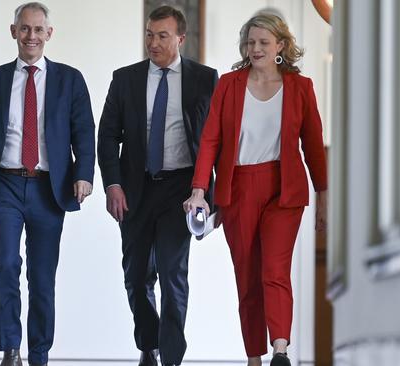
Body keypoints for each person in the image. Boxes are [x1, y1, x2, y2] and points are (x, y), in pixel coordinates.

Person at [183, 12, 328, 366]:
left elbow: (312, 145)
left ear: (281, 45)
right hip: (240, 188)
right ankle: (254, 356)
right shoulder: (230, 85)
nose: (256, 48)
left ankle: (280, 349)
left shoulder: (300, 87)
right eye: (251, 43)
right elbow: (210, 140)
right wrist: (200, 190)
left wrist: (324, 195)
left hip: (284, 190)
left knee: (274, 271)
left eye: (264, 42)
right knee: (247, 277)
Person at [0, 3, 95, 366]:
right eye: (24, 29)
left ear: (49, 35)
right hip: (4, 185)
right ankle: (11, 348)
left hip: (48, 188)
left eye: (38, 30)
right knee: (6, 264)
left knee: (42, 277)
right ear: (13, 32)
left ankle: (38, 353)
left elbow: (84, 131)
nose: (31, 36)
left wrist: (84, 173)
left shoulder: (69, 79)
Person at [97, 5, 218, 366]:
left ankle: (171, 359)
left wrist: (211, 195)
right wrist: (112, 185)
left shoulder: (205, 79)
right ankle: (148, 344)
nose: (154, 43)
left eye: (162, 36)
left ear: (180, 38)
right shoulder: (125, 79)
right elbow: (106, 136)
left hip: (181, 189)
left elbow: (217, 141)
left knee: (172, 273)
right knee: (136, 276)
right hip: (135, 188)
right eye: (150, 35)